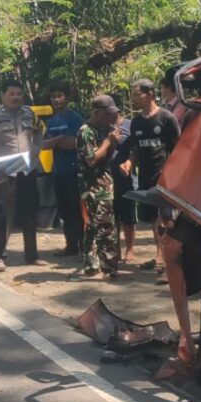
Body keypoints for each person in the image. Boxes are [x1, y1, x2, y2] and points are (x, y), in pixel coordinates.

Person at [0, 78, 42, 271]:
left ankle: (31, 256)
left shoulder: (29, 114)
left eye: (18, 94)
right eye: (11, 94)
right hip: (4, 173)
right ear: (3, 96)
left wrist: (36, 151)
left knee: (30, 214)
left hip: (27, 170)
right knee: (1, 217)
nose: (16, 97)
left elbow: (39, 132)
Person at [125, 78, 181, 280]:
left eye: (136, 94)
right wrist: (130, 163)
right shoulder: (137, 122)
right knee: (152, 219)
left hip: (165, 177)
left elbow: (179, 147)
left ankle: (167, 264)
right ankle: (160, 255)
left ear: (149, 94)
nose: (133, 99)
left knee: (166, 219)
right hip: (145, 176)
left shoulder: (167, 118)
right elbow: (136, 148)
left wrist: (175, 174)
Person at [76, 95, 123, 278]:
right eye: (107, 114)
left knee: (93, 227)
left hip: (102, 184)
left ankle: (91, 265)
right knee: (106, 228)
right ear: (96, 112)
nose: (111, 118)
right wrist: (108, 142)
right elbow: (92, 160)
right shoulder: (86, 131)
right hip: (95, 187)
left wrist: (112, 141)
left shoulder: (103, 129)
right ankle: (110, 269)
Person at [39, 82, 84, 256]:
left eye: (60, 95)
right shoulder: (51, 121)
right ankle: (70, 244)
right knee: (64, 210)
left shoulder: (75, 118)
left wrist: (54, 141)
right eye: (53, 96)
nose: (56, 99)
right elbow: (43, 145)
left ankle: (81, 244)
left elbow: (72, 143)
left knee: (76, 210)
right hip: (57, 171)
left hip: (74, 170)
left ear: (67, 98)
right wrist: (59, 139)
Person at [109, 104, 136, 263]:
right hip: (108, 175)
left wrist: (128, 163)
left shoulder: (129, 125)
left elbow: (135, 149)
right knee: (113, 215)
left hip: (126, 175)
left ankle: (130, 249)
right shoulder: (103, 126)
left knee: (128, 215)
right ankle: (116, 249)